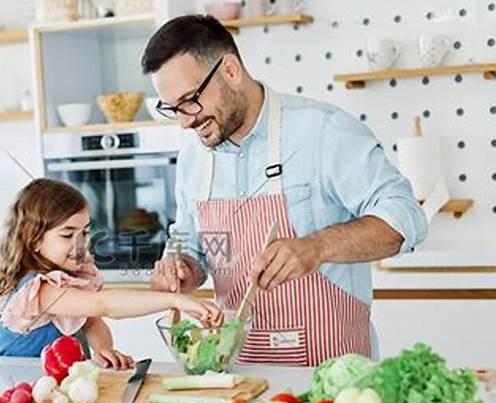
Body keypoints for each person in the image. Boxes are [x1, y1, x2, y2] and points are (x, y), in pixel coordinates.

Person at [144, 15, 428, 366]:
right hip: (237, 376)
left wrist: (317, 247)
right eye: (173, 109)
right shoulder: (193, 154)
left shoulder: (323, 130)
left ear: (230, 70)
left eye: (190, 100)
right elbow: (190, 241)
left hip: (331, 380)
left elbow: (405, 218)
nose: (185, 121)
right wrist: (182, 264)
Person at [0, 178, 223, 368]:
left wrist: (103, 350)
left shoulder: (72, 277)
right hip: (20, 389)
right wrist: (175, 300)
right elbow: (104, 304)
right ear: (34, 240)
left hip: (54, 386)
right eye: (67, 235)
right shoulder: (40, 290)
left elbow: (92, 321)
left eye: (85, 232)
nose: (80, 244)